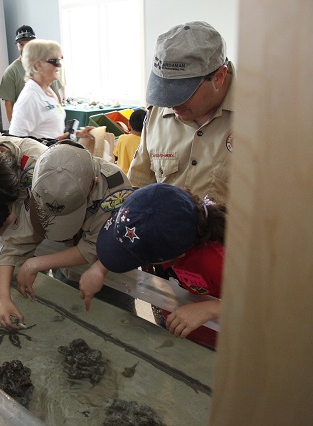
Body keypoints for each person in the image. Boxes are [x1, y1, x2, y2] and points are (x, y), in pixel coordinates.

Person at [0, 143, 134, 329]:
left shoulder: (115, 189)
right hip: (66, 262)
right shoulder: (43, 183)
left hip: (109, 272)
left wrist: (36, 263)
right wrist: (2, 298)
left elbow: (97, 247)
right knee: (69, 316)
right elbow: (14, 242)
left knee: (116, 323)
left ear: (93, 183)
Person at [79, 183, 226, 349]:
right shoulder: (163, 206)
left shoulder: (219, 262)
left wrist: (212, 309)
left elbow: (260, 306)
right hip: (176, 321)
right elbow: (136, 237)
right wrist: (100, 268)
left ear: (177, 255)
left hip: (218, 336)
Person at [127, 21, 234, 203]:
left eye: (182, 92)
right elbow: (139, 184)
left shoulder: (260, 116)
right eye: (163, 90)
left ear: (219, 77)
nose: (170, 103)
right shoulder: (156, 114)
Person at [0, 25, 62, 123]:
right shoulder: (11, 72)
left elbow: (57, 96)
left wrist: (59, 119)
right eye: (21, 44)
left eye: (28, 43)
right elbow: (8, 104)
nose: (25, 48)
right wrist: (15, 132)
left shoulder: (47, 66)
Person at [8, 40, 68, 140]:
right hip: (41, 155)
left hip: (53, 153)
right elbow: (16, 141)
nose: (59, 65)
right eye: (55, 61)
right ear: (38, 65)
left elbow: (49, 130)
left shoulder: (48, 91)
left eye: (60, 60)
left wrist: (76, 134)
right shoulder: (29, 98)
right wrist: (53, 143)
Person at [113, 109, 146, 174]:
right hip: (138, 179)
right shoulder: (146, 142)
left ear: (129, 124)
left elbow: (115, 154)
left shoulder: (122, 138)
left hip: (122, 177)